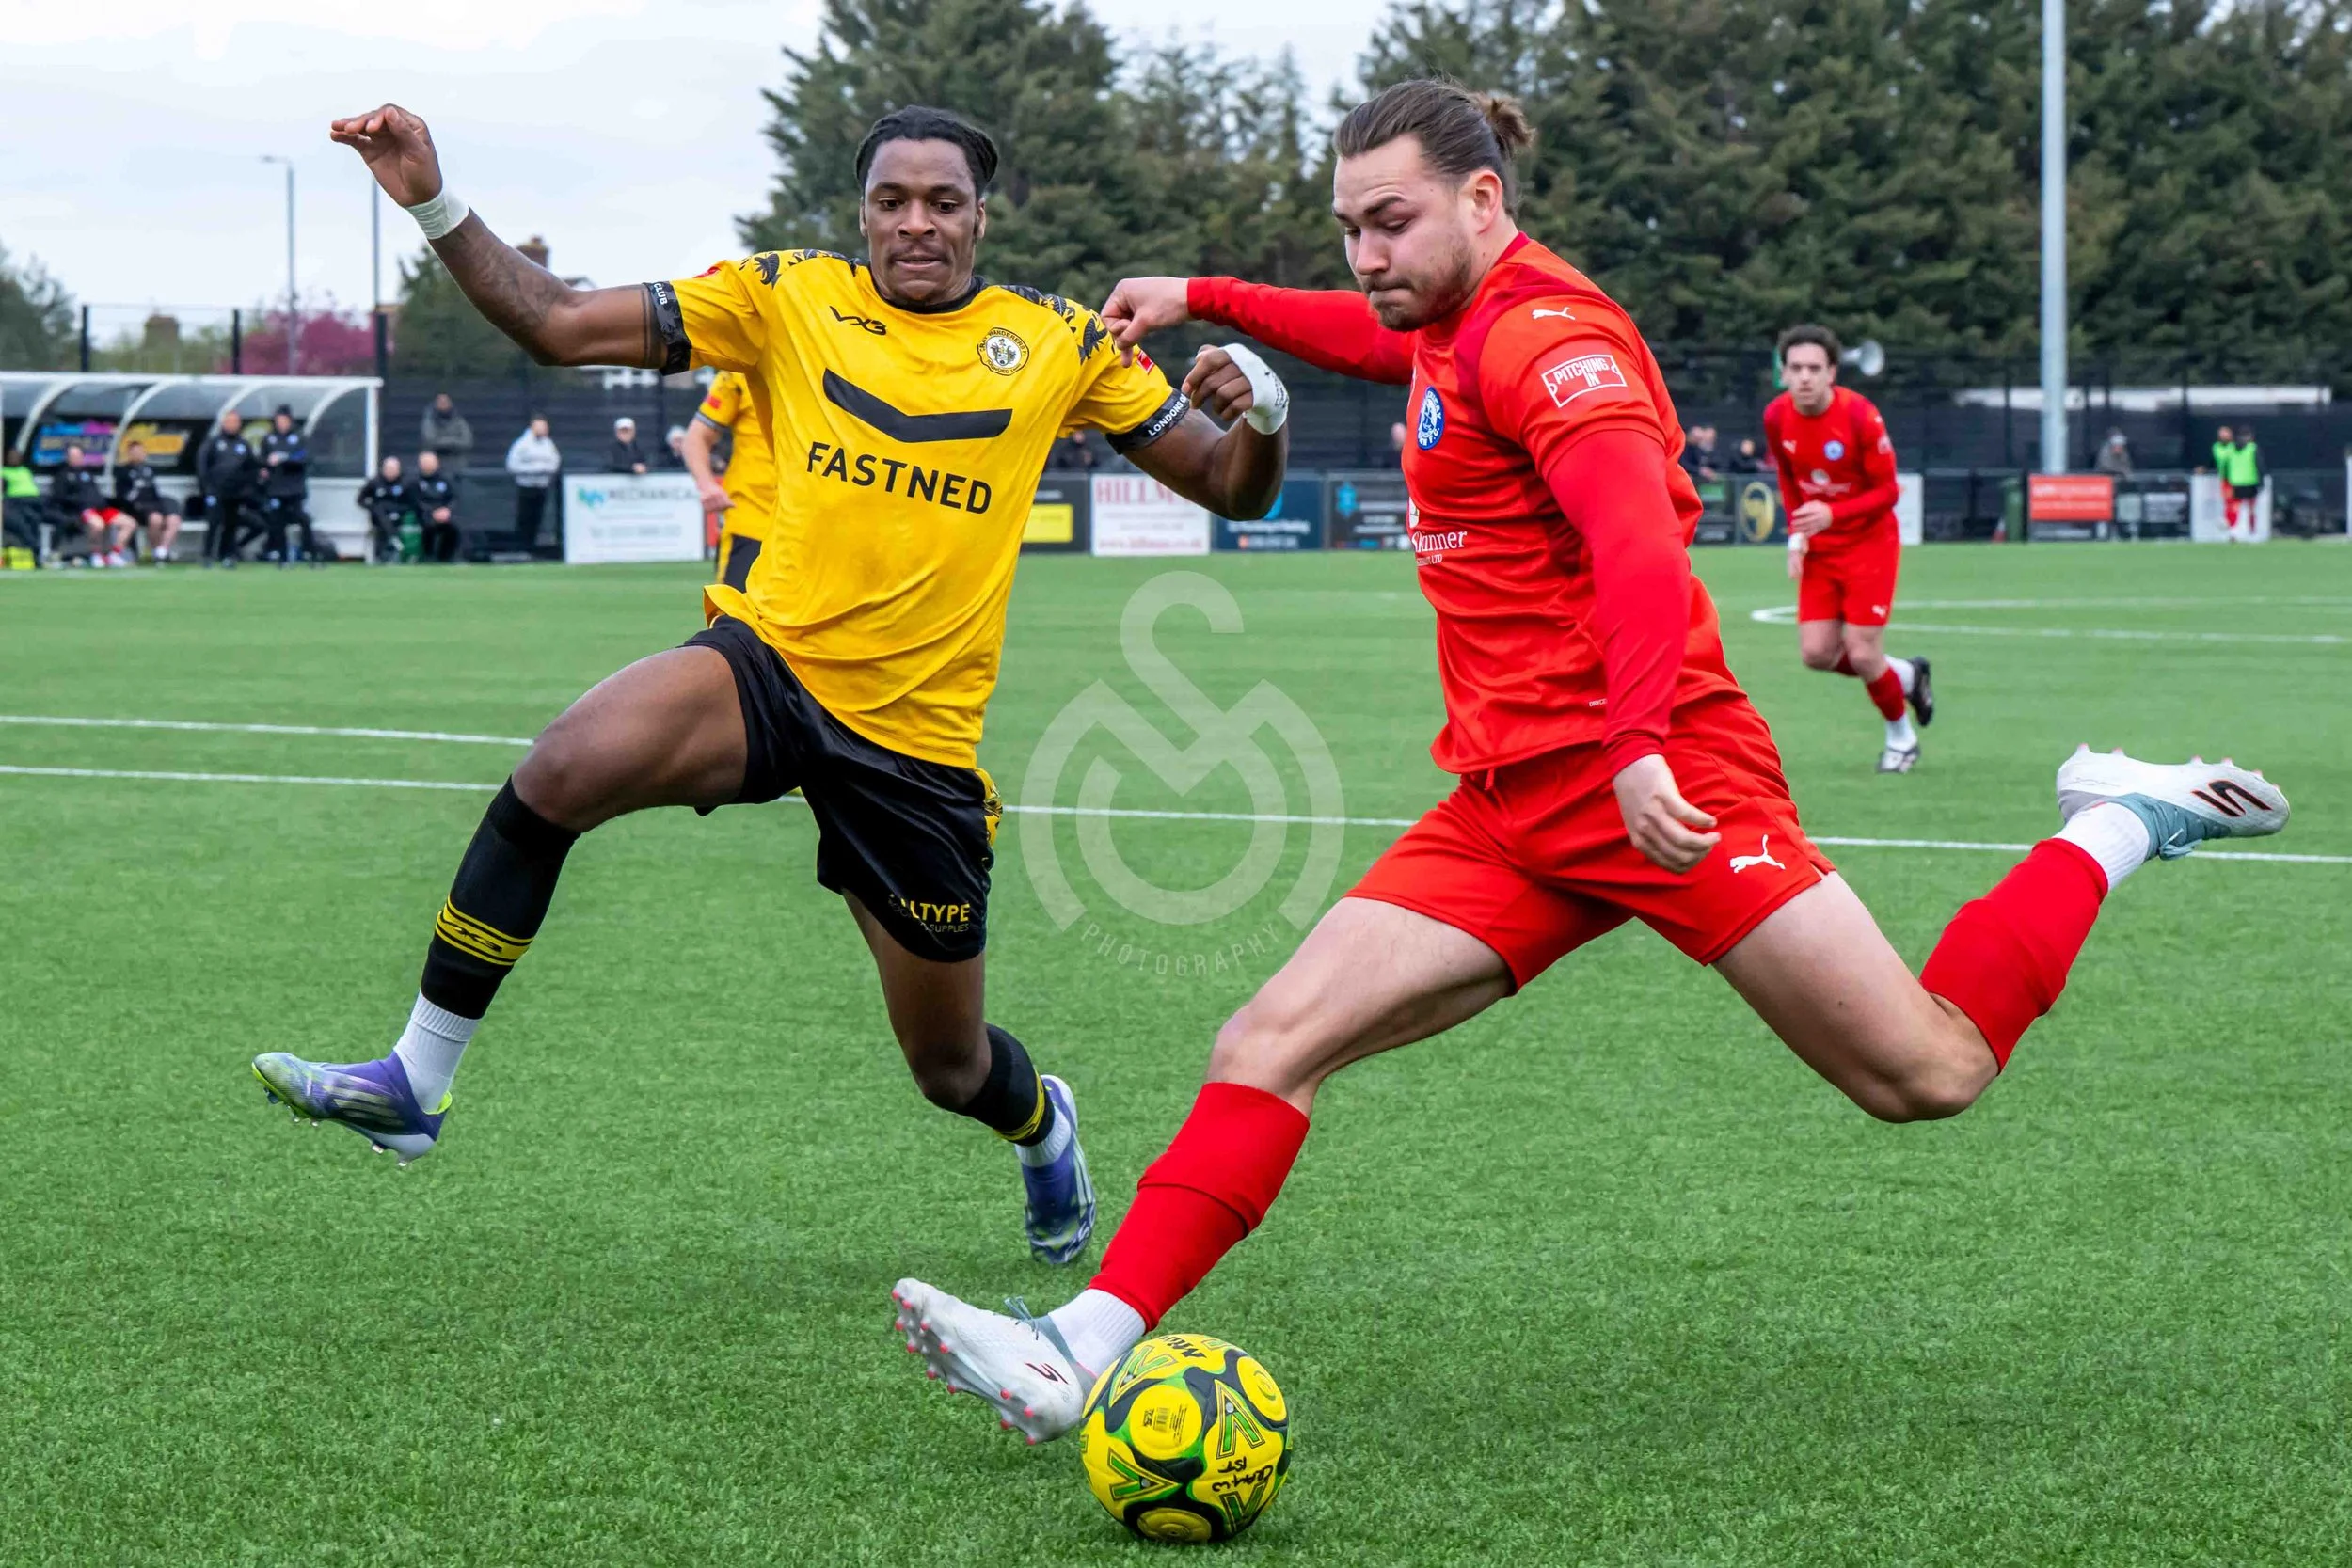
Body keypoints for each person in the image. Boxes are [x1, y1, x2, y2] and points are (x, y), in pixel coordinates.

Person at [884, 77, 2291, 1444]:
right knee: (1268, 1038)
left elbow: (1635, 544)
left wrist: (1631, 747)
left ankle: (2111, 818)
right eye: (1348, 227)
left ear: (1482, 202)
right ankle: (1080, 1344)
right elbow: (1371, 337)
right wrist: (1204, 292)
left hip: (1663, 776)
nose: (1366, 257)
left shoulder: (1553, 340)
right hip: (1508, 805)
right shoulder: (1447, 318)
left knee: (1923, 1071)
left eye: (1390, 223)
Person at [261, 103, 1288, 1280]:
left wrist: (1260, 414)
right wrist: (434, 202)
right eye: (891, 202)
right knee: (557, 773)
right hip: (768, 669)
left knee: (948, 1068)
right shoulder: (783, 294)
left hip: (917, 750)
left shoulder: (1060, 340)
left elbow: (1230, 487)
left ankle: (1040, 1121)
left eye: (942, 203)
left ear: (980, 220)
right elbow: (552, 324)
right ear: (860, 217)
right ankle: (416, 1079)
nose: (916, 222)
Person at [1763, 325, 1933, 773]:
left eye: (1814, 369)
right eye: (1795, 368)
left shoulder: (1860, 416)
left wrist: (1832, 515)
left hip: (1869, 545)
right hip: (1821, 547)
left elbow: (1888, 492)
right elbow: (1787, 477)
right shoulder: (1777, 416)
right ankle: (1906, 676)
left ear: (1832, 372)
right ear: (1784, 372)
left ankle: (1902, 738)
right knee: (1816, 654)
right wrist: (1797, 535)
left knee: (1861, 652)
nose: (1804, 377)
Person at [682, 371, 775, 592]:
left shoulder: (830, 363)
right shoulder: (739, 372)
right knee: (735, 620)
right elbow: (696, 437)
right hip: (753, 521)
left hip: (816, 529)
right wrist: (706, 485)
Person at [259, 405, 319, 565]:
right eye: (278, 421)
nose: (281, 424)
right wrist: (266, 466)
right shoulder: (269, 439)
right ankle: (282, 556)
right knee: (277, 523)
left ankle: (310, 553)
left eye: (284, 421)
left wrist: (285, 460)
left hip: (295, 489)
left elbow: (306, 459)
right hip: (276, 489)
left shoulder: (299, 438)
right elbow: (261, 460)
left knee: (303, 520)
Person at [54, 443, 132, 566]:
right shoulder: (62, 475)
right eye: (72, 456)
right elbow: (60, 497)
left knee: (129, 523)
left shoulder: (88, 473)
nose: (76, 458)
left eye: (78, 455)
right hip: (83, 510)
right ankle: (96, 554)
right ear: (67, 458)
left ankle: (115, 554)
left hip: (102, 508)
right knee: (97, 525)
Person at [198, 410, 259, 564]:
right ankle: (207, 555)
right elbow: (202, 466)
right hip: (215, 491)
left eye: (235, 421)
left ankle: (226, 554)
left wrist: (247, 488)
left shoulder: (243, 445)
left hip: (236, 494)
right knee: (213, 523)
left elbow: (251, 468)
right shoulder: (213, 442)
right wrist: (206, 488)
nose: (232, 424)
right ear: (224, 423)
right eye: (229, 421)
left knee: (231, 525)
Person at [113, 439, 183, 562]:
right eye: (135, 452)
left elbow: (154, 492)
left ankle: (163, 550)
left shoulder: (148, 469)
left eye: (141, 451)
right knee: (156, 519)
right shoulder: (122, 471)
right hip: (136, 507)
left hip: (155, 504)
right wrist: (135, 489)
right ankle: (154, 550)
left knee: (174, 520)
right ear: (129, 453)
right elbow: (122, 497)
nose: (139, 454)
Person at [504, 415, 561, 546]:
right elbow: (512, 465)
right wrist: (531, 470)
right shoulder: (521, 444)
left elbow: (555, 461)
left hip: (542, 486)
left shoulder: (548, 444)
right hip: (526, 486)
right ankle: (522, 545)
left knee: (538, 517)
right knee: (525, 517)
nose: (543, 429)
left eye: (545, 427)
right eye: (540, 426)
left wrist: (545, 470)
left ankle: (533, 545)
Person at [356, 454, 414, 563]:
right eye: (388, 469)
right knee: (379, 509)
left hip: (399, 514)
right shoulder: (375, 482)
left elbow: (411, 502)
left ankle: (392, 542)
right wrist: (371, 507)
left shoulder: (406, 483)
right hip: (378, 517)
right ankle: (391, 543)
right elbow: (360, 500)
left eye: (393, 469)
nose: (390, 472)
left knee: (385, 516)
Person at [412, 449, 461, 562]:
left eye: (431, 463)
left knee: (453, 528)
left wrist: (447, 510)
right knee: (429, 527)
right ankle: (428, 556)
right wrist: (432, 512)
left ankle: (446, 557)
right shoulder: (414, 481)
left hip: (444, 514)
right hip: (424, 515)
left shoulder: (445, 479)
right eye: (425, 463)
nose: (428, 466)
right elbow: (416, 501)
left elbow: (453, 497)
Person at [2217, 424, 2263, 541]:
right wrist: (2261, 481)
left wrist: (2227, 480)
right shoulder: (2252, 448)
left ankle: (2234, 532)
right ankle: (2252, 533)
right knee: (2251, 509)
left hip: (2235, 482)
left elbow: (2226, 467)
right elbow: (2260, 465)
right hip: (2250, 482)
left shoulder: (2231, 448)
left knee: (2235, 508)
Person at [421, 391, 474, 467]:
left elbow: (467, 442)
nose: (443, 404)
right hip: (435, 464)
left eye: (445, 402)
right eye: (440, 402)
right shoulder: (429, 421)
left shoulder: (460, 421)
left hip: (457, 463)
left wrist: (444, 441)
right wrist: (454, 441)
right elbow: (430, 441)